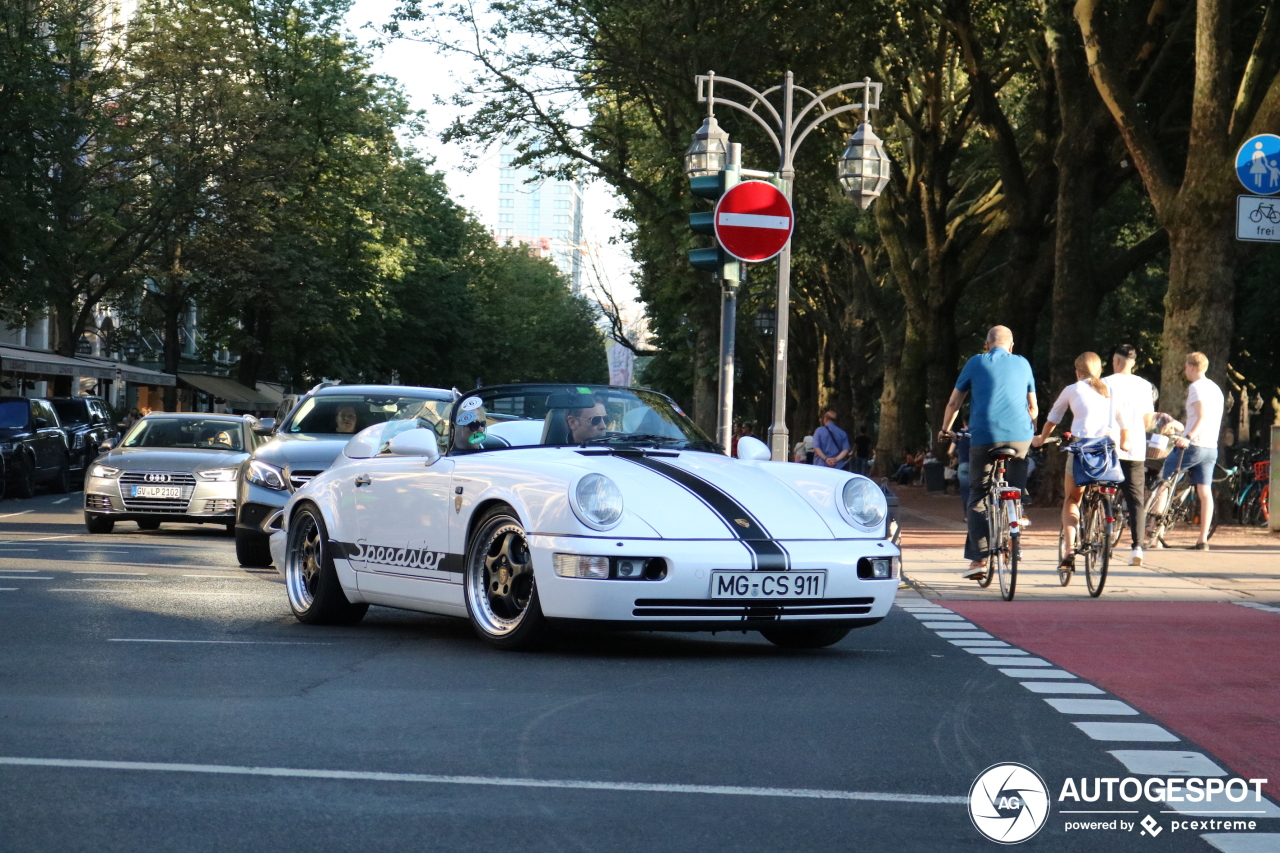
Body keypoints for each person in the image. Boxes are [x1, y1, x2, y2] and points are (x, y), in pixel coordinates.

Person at [939, 325, 1037, 580]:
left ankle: (980, 560)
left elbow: (954, 402)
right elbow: (1033, 408)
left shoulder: (975, 362)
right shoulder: (1023, 363)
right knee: (1015, 485)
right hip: (1020, 439)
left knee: (979, 495)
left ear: (986, 345)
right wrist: (1031, 432)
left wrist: (945, 429)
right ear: (1011, 346)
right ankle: (1017, 513)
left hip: (985, 437)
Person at [1032, 352, 1118, 571]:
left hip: (1081, 449)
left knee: (1072, 499)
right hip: (1106, 450)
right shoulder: (1110, 391)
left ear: (1078, 371)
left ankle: (1069, 552)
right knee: (1101, 488)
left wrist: (1041, 439)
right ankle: (1102, 518)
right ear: (1100, 370)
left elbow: (1053, 418)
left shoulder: (1072, 389)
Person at [1163, 352, 1224, 550]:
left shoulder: (1196, 387)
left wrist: (1187, 437)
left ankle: (1155, 533)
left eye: (1186, 366)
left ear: (1191, 366)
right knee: (1204, 491)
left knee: (1164, 483)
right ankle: (1202, 540)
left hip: (1194, 445)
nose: (1184, 370)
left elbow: (1202, 417)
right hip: (1210, 447)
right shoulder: (1215, 389)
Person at [1104, 344, 1156, 566]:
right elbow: (1148, 421)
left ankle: (1102, 538)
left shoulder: (1105, 383)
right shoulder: (1144, 386)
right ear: (1133, 363)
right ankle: (1137, 547)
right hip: (1135, 449)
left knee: (1103, 492)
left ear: (1115, 361)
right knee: (1136, 500)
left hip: (1108, 447)